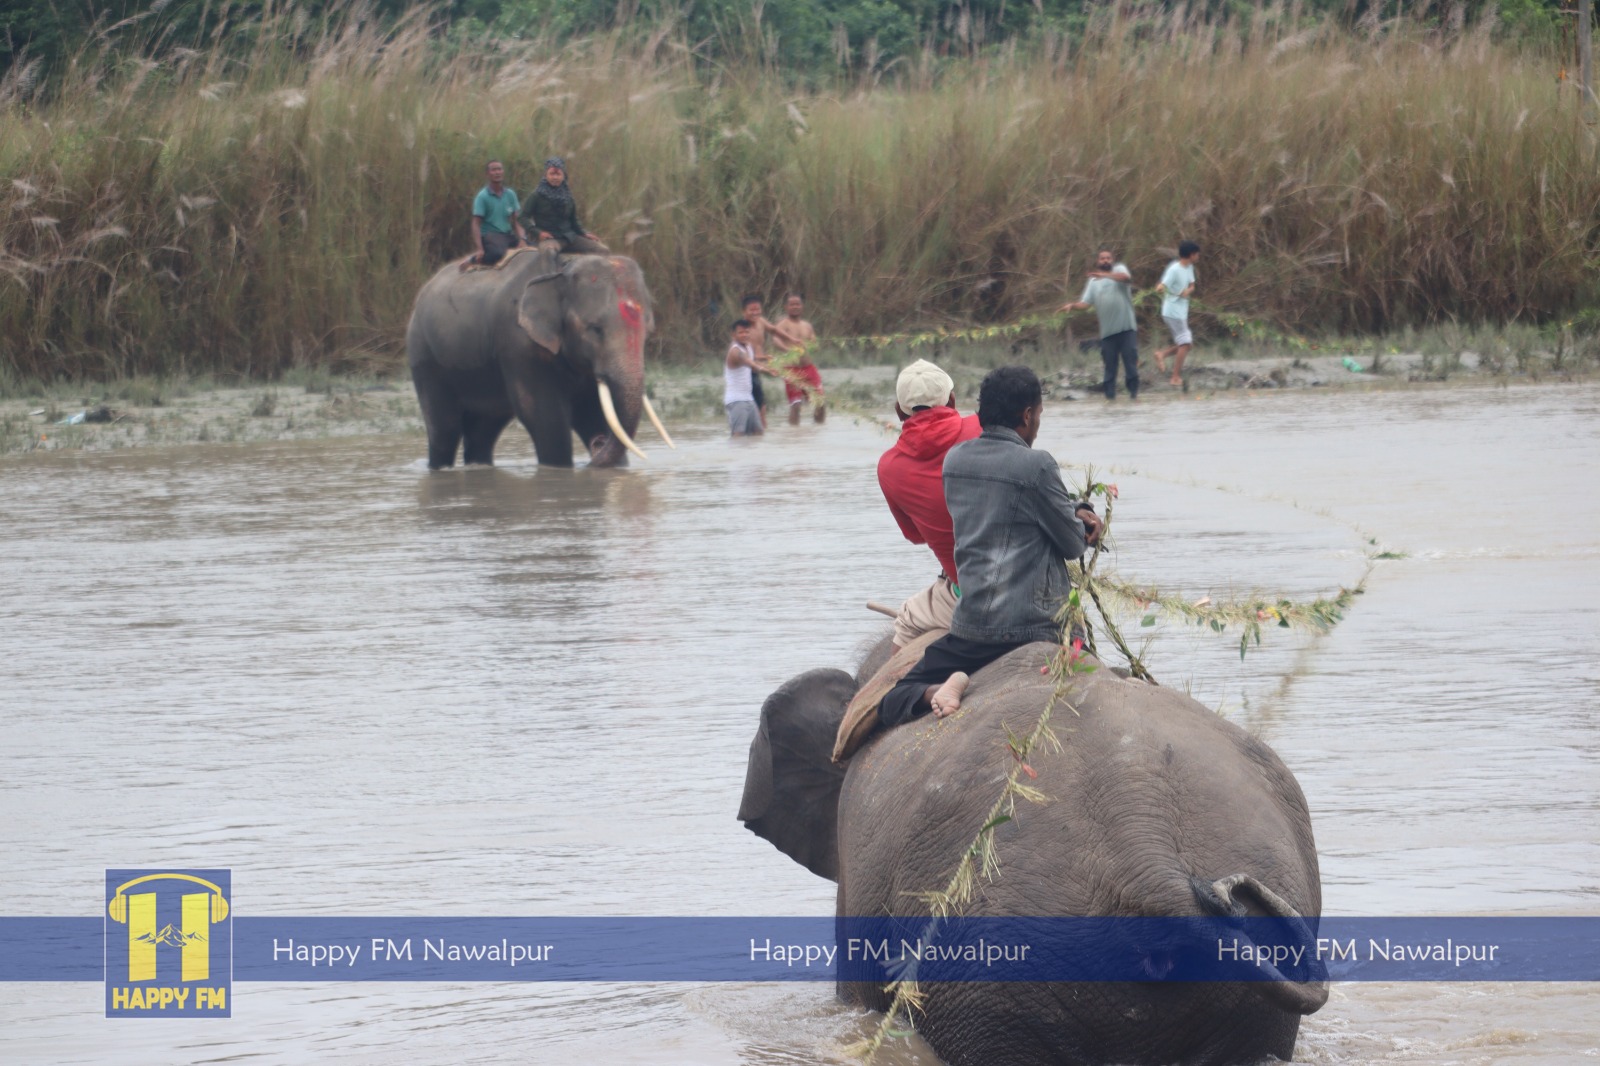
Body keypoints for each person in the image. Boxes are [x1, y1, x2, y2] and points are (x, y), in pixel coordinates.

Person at [878, 366, 1103, 727]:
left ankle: (936, 691)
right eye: (1039, 414)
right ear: (1028, 415)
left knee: (890, 700)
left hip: (975, 630)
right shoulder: (1037, 464)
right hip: (1042, 626)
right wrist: (1084, 515)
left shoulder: (955, 461)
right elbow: (1073, 544)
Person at [877, 359, 982, 649]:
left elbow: (915, 535)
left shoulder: (889, 466)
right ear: (952, 399)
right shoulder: (985, 426)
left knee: (908, 619)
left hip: (970, 592)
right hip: (1027, 577)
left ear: (899, 410)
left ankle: (898, 694)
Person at [1061, 246, 1139, 401]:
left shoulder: (1119, 270)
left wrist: (1105, 275)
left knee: (1130, 365)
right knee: (1110, 368)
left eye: (1108, 258)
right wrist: (1072, 306)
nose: (1105, 260)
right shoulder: (1093, 281)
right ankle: (1110, 399)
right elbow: (1085, 303)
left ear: (1112, 260)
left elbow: (1125, 278)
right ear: (1098, 261)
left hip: (1126, 329)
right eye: (1102, 258)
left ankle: (1134, 397)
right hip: (1107, 333)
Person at [740, 295, 802, 430]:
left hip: (757, 370)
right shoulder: (742, 330)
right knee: (752, 408)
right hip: (745, 372)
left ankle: (760, 439)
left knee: (762, 408)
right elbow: (745, 355)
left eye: (758, 310)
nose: (755, 313)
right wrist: (765, 359)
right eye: (751, 310)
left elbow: (774, 330)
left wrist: (792, 339)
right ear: (743, 312)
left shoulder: (761, 322)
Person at [523, 158, 609, 255]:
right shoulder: (536, 195)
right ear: (545, 176)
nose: (555, 177)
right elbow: (523, 217)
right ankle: (552, 271)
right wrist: (538, 233)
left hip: (570, 237)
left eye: (558, 174)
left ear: (563, 176)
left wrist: (584, 233)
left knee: (602, 249)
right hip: (550, 239)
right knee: (549, 252)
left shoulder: (568, 196)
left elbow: (574, 220)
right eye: (552, 174)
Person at [461, 160, 526, 271]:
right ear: (487, 174)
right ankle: (473, 260)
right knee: (498, 254)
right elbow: (476, 223)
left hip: (507, 235)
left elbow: (517, 220)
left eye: (499, 169)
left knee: (532, 249)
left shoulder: (510, 194)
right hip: (491, 235)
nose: (497, 172)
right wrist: (480, 248)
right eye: (493, 170)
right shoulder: (482, 197)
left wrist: (522, 239)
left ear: (503, 172)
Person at [773, 293, 825, 423]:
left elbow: (815, 344)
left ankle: (819, 431)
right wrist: (787, 349)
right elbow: (775, 340)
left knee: (820, 403)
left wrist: (813, 345)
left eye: (797, 304)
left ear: (802, 306)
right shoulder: (783, 324)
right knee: (796, 405)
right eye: (792, 304)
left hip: (809, 368)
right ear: (786, 307)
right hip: (792, 369)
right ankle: (793, 435)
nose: (795, 307)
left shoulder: (807, 326)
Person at [1154, 240, 1201, 386]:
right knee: (1185, 343)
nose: (1198, 257)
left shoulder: (1190, 267)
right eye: (1197, 254)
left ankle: (1162, 354)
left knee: (1187, 345)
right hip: (1172, 311)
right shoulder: (1174, 269)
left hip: (1181, 311)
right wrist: (1160, 288)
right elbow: (1161, 286)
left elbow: (1192, 285)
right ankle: (1175, 377)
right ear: (1191, 255)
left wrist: (1187, 291)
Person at [725, 319, 778, 437]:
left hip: (749, 399)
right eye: (741, 333)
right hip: (736, 401)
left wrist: (765, 359)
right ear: (733, 335)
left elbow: (753, 360)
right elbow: (750, 363)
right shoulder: (735, 351)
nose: (744, 335)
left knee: (758, 433)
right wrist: (767, 371)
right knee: (737, 435)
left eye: (746, 332)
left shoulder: (748, 347)